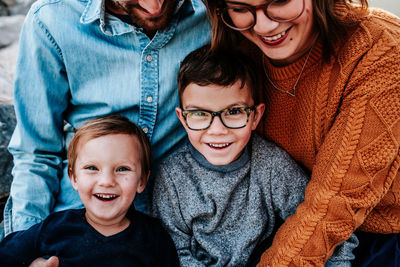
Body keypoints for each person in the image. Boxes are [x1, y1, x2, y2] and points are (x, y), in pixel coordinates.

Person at [204, 0, 400, 266]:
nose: (264, 25)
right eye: (240, 9)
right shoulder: (238, 51)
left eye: (279, 1)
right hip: (287, 223)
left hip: (379, 236)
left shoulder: (380, 51)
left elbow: (334, 204)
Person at [3, 0, 210, 238]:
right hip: (77, 219)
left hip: (174, 227)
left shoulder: (209, 17)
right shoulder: (51, 19)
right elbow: (36, 153)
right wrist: (25, 245)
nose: (155, 7)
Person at [152, 45, 357, 267]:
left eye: (233, 112)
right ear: (183, 119)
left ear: (256, 116)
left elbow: (320, 224)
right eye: (200, 114)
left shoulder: (271, 165)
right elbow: (173, 252)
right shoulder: (171, 178)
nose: (218, 130)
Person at [0, 115, 179, 266]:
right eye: (92, 168)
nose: (107, 181)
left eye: (122, 169)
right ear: (74, 177)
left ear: (142, 181)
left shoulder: (154, 238)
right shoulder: (55, 228)